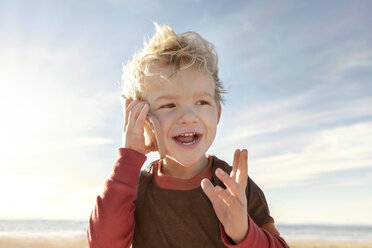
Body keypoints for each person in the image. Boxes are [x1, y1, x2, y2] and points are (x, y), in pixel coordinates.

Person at [87, 23, 289, 248]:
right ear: (143, 119)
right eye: (169, 105)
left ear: (217, 113)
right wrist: (128, 159)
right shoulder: (134, 188)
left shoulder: (234, 186)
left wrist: (244, 233)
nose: (188, 117)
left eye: (201, 102)